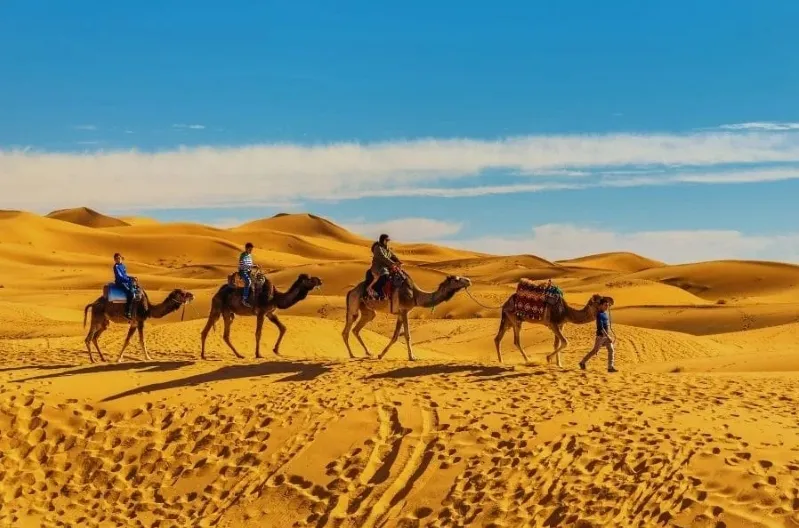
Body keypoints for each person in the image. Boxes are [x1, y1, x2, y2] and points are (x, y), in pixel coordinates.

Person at [579, 297, 617, 372]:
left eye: (607, 305)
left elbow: (606, 326)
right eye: (605, 305)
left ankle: (610, 367)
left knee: (611, 350)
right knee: (594, 351)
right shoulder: (599, 315)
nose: (607, 307)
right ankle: (582, 362)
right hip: (601, 336)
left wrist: (609, 335)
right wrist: (608, 336)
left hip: (605, 336)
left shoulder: (605, 314)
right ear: (601, 305)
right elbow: (601, 328)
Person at [366, 234, 401, 298]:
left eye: (388, 240)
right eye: (386, 240)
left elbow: (392, 255)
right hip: (378, 268)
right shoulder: (378, 248)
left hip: (386, 267)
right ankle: (378, 293)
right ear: (382, 240)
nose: (387, 242)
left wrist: (398, 261)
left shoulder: (386, 248)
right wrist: (392, 263)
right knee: (385, 276)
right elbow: (383, 257)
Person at [113, 253, 136, 319]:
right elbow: (120, 277)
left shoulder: (123, 266)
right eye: (116, 258)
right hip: (120, 283)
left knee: (137, 289)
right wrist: (128, 280)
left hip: (125, 281)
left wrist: (131, 278)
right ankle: (127, 312)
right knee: (130, 294)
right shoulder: (116, 266)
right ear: (114, 260)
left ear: (121, 258)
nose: (118, 259)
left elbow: (125, 275)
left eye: (119, 258)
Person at [239, 242, 258, 307]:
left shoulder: (249, 256)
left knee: (258, 281)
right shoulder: (243, 255)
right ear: (246, 248)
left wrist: (254, 266)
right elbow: (242, 266)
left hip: (249, 271)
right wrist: (251, 267)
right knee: (248, 282)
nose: (250, 251)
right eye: (249, 249)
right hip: (243, 272)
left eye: (251, 249)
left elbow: (250, 265)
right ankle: (244, 299)